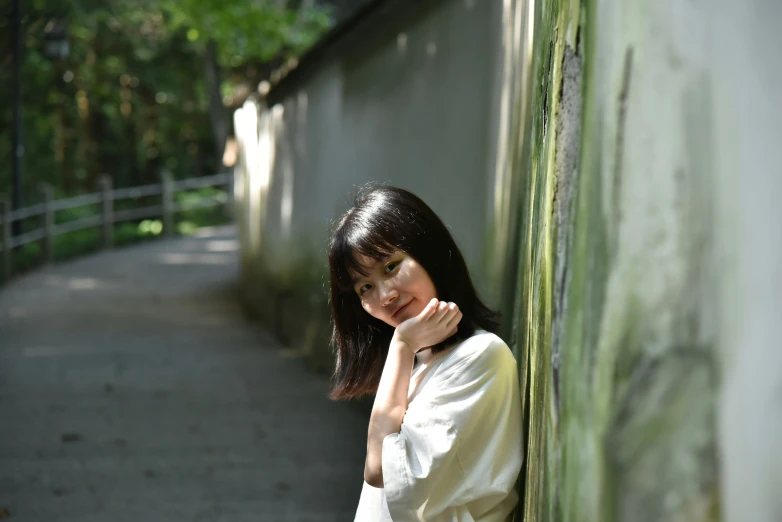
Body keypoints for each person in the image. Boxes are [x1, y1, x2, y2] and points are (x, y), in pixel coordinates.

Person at [326, 184, 524, 522]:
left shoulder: (479, 356)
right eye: (365, 287)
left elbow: (380, 473)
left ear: (429, 253)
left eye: (390, 266)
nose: (385, 295)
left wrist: (402, 346)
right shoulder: (420, 365)